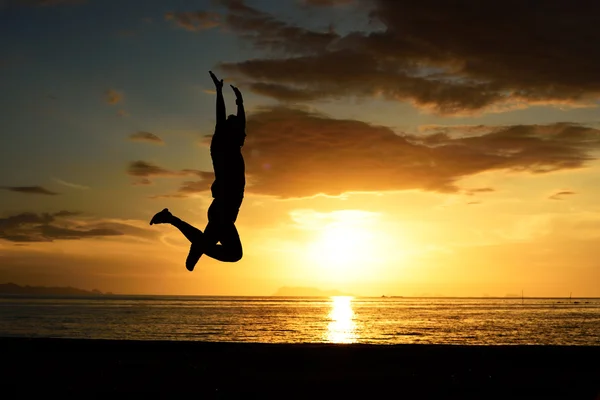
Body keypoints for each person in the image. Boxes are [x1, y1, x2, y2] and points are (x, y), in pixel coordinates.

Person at [149, 71, 246, 271]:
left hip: (226, 210)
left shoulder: (234, 146)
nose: (241, 134)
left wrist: (240, 105)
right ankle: (172, 221)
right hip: (223, 210)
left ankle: (190, 241)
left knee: (204, 251)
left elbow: (241, 127)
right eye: (236, 129)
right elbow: (220, 119)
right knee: (233, 254)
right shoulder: (221, 148)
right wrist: (219, 92)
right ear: (229, 132)